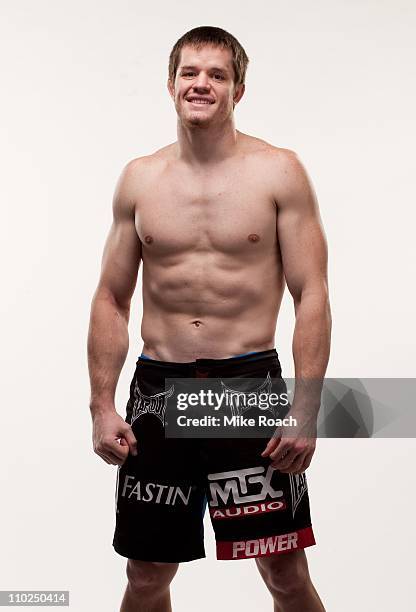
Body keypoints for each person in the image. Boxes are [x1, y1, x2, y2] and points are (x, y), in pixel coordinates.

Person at [87, 25, 331, 612]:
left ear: (238, 89)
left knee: (283, 568)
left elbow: (312, 293)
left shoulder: (279, 172)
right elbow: (110, 297)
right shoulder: (140, 178)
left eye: (217, 74)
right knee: (146, 574)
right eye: (190, 72)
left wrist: (305, 408)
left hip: (247, 389)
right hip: (159, 392)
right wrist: (101, 404)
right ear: (170, 84)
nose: (201, 84)